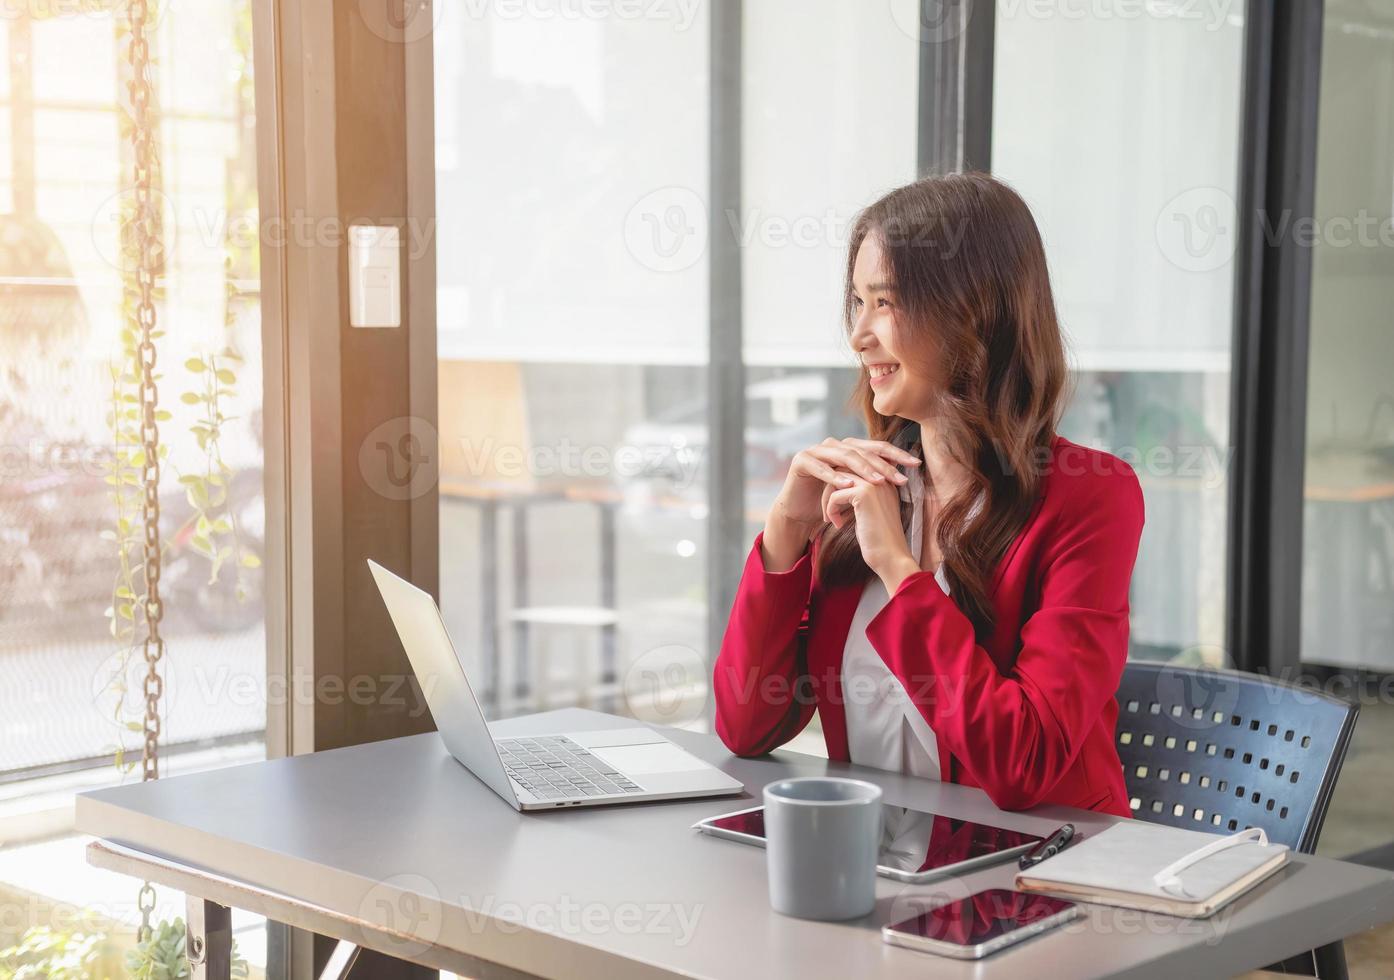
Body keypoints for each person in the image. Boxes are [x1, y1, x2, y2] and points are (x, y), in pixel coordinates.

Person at [713, 173, 1145, 816]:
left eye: (884, 303)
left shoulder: (1091, 498)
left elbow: (1022, 763)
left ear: (973, 310)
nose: (859, 335)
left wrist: (899, 570)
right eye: (856, 304)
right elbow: (747, 730)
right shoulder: (868, 485)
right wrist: (785, 532)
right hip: (872, 865)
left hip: (1033, 874)